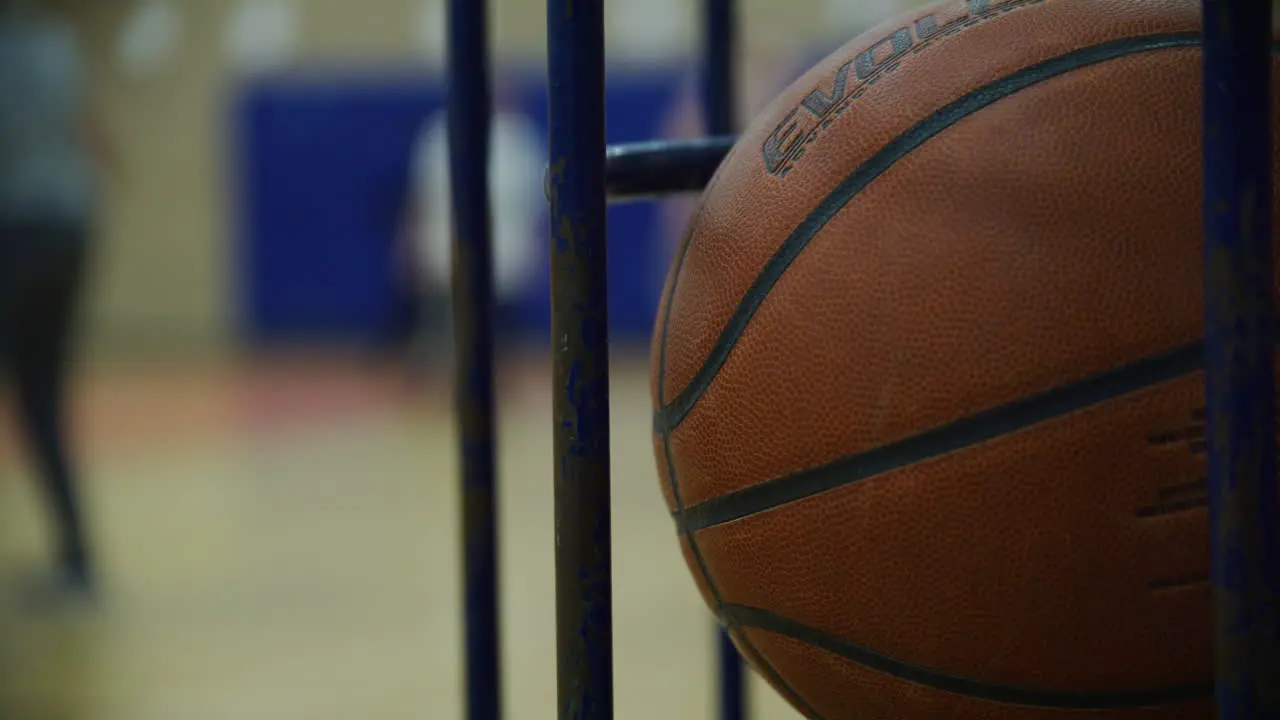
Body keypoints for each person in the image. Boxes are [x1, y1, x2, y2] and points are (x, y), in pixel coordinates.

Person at [0, 0, 110, 593]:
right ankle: (77, 558)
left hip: (18, 229)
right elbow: (92, 134)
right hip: (72, 231)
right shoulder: (56, 48)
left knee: (40, 400)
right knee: (42, 402)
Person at [398, 85, 545, 382]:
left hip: (506, 255)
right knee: (443, 325)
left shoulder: (520, 138)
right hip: (446, 249)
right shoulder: (442, 132)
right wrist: (410, 244)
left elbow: (537, 204)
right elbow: (420, 197)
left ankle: (495, 384)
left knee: (500, 331)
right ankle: (436, 384)